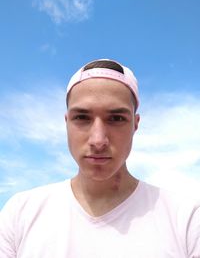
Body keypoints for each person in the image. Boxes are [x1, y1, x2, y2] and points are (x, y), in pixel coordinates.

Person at [0, 59, 199, 258]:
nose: (98, 140)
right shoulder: (20, 214)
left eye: (116, 118)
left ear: (135, 124)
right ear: (67, 122)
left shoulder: (187, 221)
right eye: (82, 117)